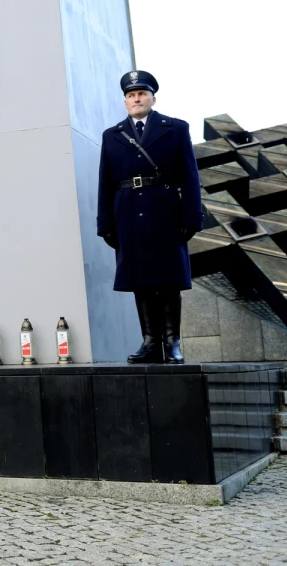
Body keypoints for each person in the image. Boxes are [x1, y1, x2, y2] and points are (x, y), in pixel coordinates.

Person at [97, 71, 203, 364]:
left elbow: (190, 177)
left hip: (165, 213)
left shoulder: (176, 129)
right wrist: (105, 223)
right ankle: (150, 343)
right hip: (128, 215)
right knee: (141, 281)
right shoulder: (113, 135)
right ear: (125, 102)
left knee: (168, 281)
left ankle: (172, 344)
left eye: (141, 94)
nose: (136, 99)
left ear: (152, 98)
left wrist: (192, 216)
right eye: (131, 95)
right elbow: (105, 182)